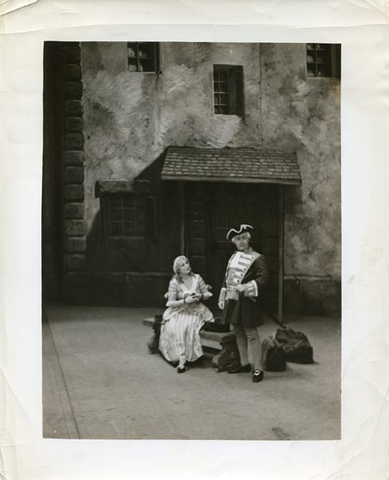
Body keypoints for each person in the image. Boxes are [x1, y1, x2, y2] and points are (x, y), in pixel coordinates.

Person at [218, 224, 269, 383]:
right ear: (234, 241)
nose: (241, 241)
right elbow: (226, 279)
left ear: (248, 239)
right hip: (232, 299)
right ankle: (244, 363)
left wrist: (247, 286)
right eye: (238, 239)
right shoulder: (233, 257)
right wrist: (222, 297)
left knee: (251, 333)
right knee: (237, 330)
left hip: (247, 300)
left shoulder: (258, 257)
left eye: (243, 238)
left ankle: (258, 368)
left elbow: (264, 278)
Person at [159, 256, 214, 373]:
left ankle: (188, 356)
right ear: (178, 269)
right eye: (182, 265)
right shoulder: (174, 282)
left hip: (195, 310)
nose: (187, 266)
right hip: (179, 310)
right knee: (174, 327)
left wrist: (201, 296)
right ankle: (180, 358)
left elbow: (207, 293)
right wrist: (184, 301)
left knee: (188, 327)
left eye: (187, 263)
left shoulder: (197, 278)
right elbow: (170, 302)